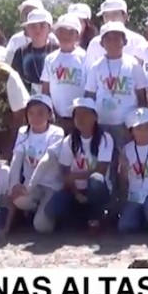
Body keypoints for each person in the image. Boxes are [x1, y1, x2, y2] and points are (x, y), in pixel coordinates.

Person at [45, 98, 113, 233]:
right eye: (77, 115)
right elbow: (64, 172)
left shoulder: (105, 138)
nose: (81, 119)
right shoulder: (69, 141)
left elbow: (101, 170)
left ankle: (95, 219)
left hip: (98, 190)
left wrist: (75, 176)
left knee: (96, 180)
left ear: (95, 117)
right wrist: (76, 192)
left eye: (85, 115)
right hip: (76, 190)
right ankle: (81, 218)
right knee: (52, 209)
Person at [84, 21, 148, 150]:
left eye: (117, 38)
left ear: (124, 42)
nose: (113, 42)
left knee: (125, 160)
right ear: (102, 43)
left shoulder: (133, 65)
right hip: (102, 123)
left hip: (126, 124)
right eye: (108, 39)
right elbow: (89, 96)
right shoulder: (96, 66)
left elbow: (142, 97)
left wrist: (136, 123)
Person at [8, 95, 66, 233]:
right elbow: (17, 157)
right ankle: (37, 210)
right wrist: (14, 185)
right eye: (31, 113)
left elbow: (47, 160)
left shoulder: (56, 132)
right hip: (32, 187)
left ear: (49, 114)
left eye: (40, 113)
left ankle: (54, 214)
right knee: (17, 200)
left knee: (41, 227)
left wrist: (29, 186)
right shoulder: (23, 132)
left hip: (51, 186)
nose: (35, 117)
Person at [40, 14, 88, 133]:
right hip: (57, 117)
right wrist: (49, 111)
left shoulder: (85, 57)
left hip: (80, 117)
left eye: (70, 32)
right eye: (61, 31)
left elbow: (90, 88)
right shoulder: (50, 59)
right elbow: (45, 89)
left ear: (77, 35)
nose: (65, 36)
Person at [84, 0, 148, 67]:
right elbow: (88, 72)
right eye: (106, 16)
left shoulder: (138, 41)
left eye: (115, 14)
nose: (110, 19)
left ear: (125, 16)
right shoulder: (95, 43)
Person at [11, 9, 59, 94]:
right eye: (33, 26)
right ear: (27, 30)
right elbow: (15, 80)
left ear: (49, 28)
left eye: (42, 25)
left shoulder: (57, 50)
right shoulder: (21, 52)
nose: (38, 30)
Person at [3, 0, 59, 65]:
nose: (28, 15)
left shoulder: (53, 41)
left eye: (41, 25)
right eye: (25, 13)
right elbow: (8, 64)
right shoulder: (15, 40)